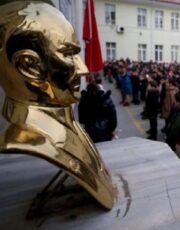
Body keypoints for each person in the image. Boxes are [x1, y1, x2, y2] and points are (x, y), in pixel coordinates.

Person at [0, 1, 114, 209]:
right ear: (29, 66)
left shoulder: (67, 121)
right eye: (69, 53)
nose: (84, 69)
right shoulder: (27, 136)